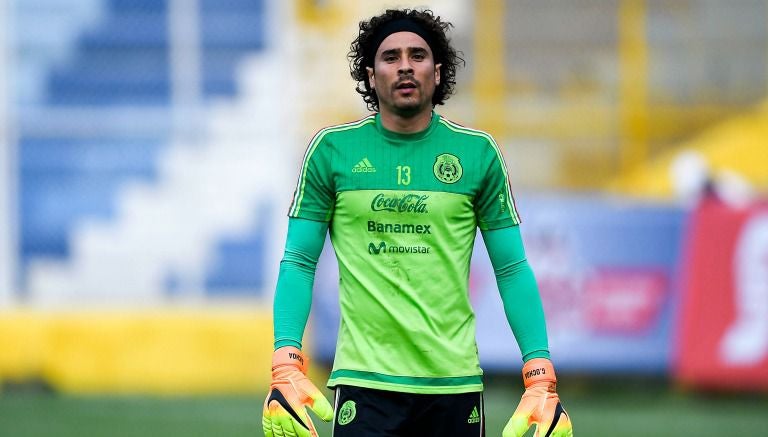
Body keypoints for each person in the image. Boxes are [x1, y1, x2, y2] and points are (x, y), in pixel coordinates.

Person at [262, 8, 573, 437]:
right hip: (364, 384)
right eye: (390, 57)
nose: (405, 65)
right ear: (370, 76)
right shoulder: (331, 151)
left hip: (454, 384)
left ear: (438, 71)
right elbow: (298, 262)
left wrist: (540, 376)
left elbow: (512, 268)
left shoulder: (477, 154)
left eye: (417, 55)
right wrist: (285, 362)